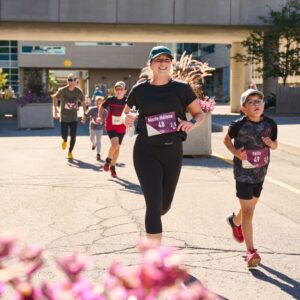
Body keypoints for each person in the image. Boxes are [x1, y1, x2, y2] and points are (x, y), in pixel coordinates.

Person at [123, 45, 205, 246]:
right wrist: (129, 117)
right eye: (158, 60)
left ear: (171, 64)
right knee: (153, 204)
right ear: (150, 64)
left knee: (164, 205)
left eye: (166, 60)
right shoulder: (140, 89)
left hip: (172, 151)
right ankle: (154, 256)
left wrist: (191, 123)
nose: (163, 63)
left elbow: (199, 114)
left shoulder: (181, 88)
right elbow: (126, 112)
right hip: (145, 151)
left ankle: (155, 222)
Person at [224, 88, 278, 267]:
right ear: (243, 108)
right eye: (251, 102)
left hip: (260, 173)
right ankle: (251, 251)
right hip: (243, 174)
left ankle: (234, 222)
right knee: (249, 211)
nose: (256, 104)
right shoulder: (237, 125)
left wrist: (272, 144)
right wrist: (236, 153)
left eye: (259, 101)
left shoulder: (270, 124)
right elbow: (226, 140)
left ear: (264, 105)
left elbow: (275, 145)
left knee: (250, 206)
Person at [53, 73, 86, 159]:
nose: (72, 82)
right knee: (64, 135)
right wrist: (55, 110)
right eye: (70, 80)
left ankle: (70, 151)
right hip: (64, 117)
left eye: (73, 80)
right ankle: (64, 140)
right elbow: (55, 97)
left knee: (73, 136)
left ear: (76, 81)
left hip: (73, 118)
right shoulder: (62, 90)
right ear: (67, 81)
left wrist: (84, 114)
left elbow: (83, 102)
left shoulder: (79, 92)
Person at [98, 81, 127, 177]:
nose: (119, 91)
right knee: (115, 144)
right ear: (115, 90)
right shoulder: (111, 99)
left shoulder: (127, 101)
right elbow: (102, 107)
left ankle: (113, 167)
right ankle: (108, 160)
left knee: (117, 147)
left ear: (125, 91)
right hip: (111, 125)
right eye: (117, 89)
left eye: (121, 89)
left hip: (122, 126)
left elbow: (132, 111)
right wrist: (100, 117)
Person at [81, 96, 105, 161]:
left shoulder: (104, 110)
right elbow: (86, 114)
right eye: (97, 103)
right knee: (91, 138)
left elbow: (108, 118)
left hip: (100, 128)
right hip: (92, 127)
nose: (99, 105)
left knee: (99, 141)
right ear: (95, 103)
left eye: (101, 103)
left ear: (103, 103)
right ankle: (94, 144)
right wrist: (84, 118)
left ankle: (98, 154)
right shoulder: (92, 109)